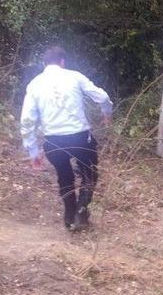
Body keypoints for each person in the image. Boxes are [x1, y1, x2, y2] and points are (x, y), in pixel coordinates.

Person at [20, 46, 113, 232]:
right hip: (79, 138)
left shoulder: (35, 84)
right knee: (90, 175)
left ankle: (69, 217)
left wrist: (33, 151)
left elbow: (27, 120)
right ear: (63, 62)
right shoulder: (75, 76)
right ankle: (81, 211)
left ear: (43, 64)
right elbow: (102, 97)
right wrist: (106, 114)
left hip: (53, 141)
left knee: (65, 177)